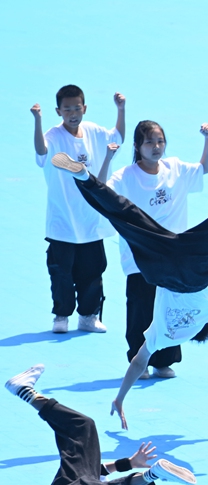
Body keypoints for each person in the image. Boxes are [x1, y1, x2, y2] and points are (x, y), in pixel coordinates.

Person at [48, 152, 208, 429]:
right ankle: (84, 178)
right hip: (160, 269)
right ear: (192, 335)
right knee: (128, 220)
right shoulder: (163, 336)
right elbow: (138, 364)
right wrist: (120, 398)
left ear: (207, 326)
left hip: (196, 268)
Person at [6, 365, 193, 485]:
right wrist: (128, 463)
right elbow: (96, 473)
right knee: (84, 427)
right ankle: (24, 391)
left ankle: (152, 475)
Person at [102, 120, 208, 380]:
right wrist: (108, 158)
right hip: (140, 256)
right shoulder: (127, 176)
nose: (156, 147)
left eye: (160, 141)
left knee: (169, 308)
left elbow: (203, 169)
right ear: (138, 146)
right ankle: (137, 361)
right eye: (149, 142)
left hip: (173, 257)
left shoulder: (175, 168)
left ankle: (164, 362)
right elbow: (101, 190)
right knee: (141, 307)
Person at [32, 85, 126, 334]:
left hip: (91, 220)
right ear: (58, 111)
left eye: (77, 108)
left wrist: (121, 109)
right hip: (62, 221)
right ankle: (61, 316)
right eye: (67, 109)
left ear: (84, 108)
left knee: (93, 271)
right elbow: (41, 152)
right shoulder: (53, 136)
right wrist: (38, 120)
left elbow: (117, 137)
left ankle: (88, 317)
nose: (73, 113)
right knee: (61, 272)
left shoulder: (94, 131)